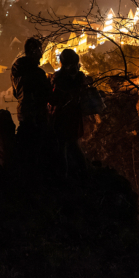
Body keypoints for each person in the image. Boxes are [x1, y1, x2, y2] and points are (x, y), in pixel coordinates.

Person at [11, 37, 53, 174]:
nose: (41, 55)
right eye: (40, 51)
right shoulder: (38, 74)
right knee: (37, 147)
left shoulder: (16, 69)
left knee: (25, 145)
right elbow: (48, 96)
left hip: (23, 113)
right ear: (34, 52)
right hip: (37, 115)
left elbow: (16, 93)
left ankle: (24, 176)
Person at [48, 49, 90, 182]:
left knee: (62, 146)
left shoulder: (60, 79)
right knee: (73, 144)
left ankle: (63, 177)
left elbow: (54, 99)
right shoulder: (79, 77)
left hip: (62, 116)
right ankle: (84, 173)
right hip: (75, 116)